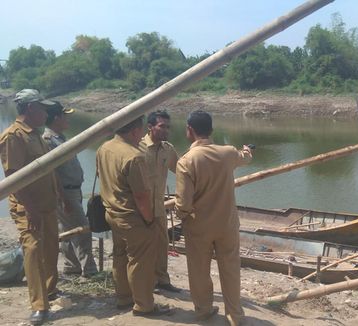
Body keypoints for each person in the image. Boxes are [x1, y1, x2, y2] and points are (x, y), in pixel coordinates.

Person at [175, 110, 252, 325]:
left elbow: (183, 204)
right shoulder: (228, 153)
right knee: (230, 269)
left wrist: (179, 215)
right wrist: (247, 151)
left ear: (190, 130)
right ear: (211, 130)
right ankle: (235, 315)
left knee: (199, 270)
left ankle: (204, 310)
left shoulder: (186, 161)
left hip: (199, 226)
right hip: (227, 224)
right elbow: (244, 157)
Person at [96, 116, 173, 317]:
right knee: (141, 262)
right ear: (134, 131)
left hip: (112, 213)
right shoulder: (133, 156)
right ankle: (144, 305)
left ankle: (123, 298)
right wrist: (149, 220)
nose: (142, 135)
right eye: (140, 130)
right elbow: (141, 195)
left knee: (121, 257)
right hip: (133, 217)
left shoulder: (104, 148)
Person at [0, 89, 60, 325]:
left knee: (51, 249)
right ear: (30, 109)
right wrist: (31, 208)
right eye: (42, 108)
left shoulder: (36, 135)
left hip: (47, 204)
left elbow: (48, 170)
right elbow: (12, 176)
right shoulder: (13, 136)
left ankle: (49, 290)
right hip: (29, 207)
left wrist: (61, 195)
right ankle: (39, 305)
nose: (46, 113)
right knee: (33, 251)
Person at [42, 102, 98, 277]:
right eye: (65, 116)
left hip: (73, 190)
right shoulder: (48, 140)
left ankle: (71, 266)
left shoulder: (60, 138)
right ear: (57, 118)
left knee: (67, 231)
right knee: (82, 229)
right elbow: (52, 173)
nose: (68, 119)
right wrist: (63, 198)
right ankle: (89, 270)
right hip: (65, 192)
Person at [139, 110, 180, 293]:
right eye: (162, 126)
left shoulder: (168, 149)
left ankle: (162, 280)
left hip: (159, 207)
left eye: (168, 127)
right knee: (142, 246)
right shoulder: (137, 147)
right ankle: (144, 281)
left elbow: (181, 171)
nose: (166, 130)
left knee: (162, 245)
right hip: (140, 207)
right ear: (150, 127)